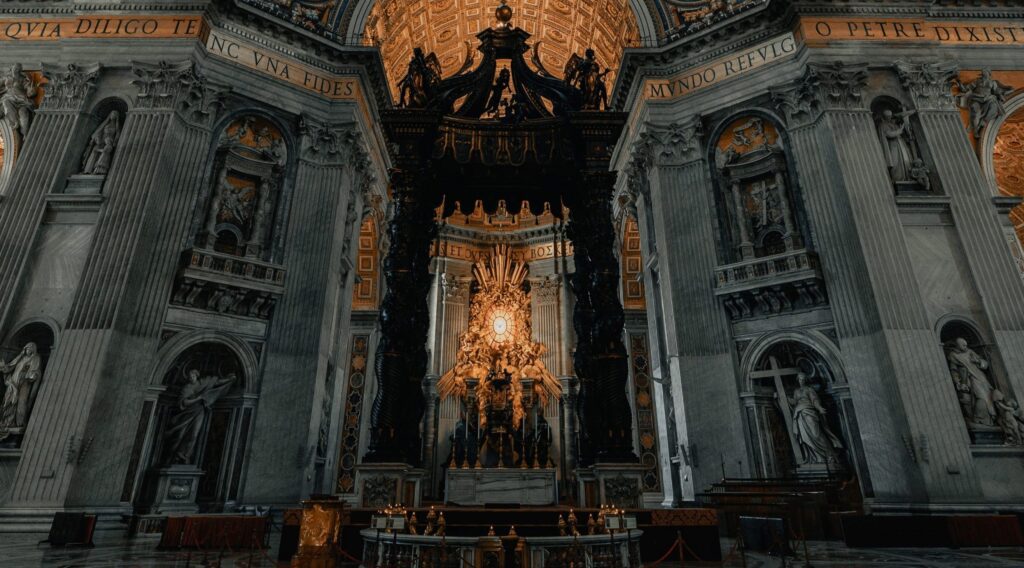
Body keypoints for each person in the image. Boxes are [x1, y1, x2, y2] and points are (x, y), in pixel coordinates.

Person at [162, 370, 236, 465]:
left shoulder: (204, 382)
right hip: (186, 414)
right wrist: (198, 398)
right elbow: (184, 403)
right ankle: (171, 457)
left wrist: (229, 379)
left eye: (193, 375)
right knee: (179, 435)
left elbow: (217, 382)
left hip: (199, 411)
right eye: (189, 376)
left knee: (194, 435)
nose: (191, 377)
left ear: (197, 376)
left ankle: (185, 456)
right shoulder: (186, 388)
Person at [787, 373, 843, 464]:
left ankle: (829, 454)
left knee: (816, 434)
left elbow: (815, 400)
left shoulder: (809, 389)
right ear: (798, 380)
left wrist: (819, 408)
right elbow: (795, 402)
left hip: (809, 412)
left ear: (806, 380)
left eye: (803, 379)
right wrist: (784, 398)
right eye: (800, 379)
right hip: (800, 415)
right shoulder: (796, 391)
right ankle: (816, 458)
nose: (802, 381)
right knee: (805, 437)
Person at [947, 337, 995, 426]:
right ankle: (980, 419)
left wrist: (978, 361)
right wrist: (958, 382)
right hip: (969, 379)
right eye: (963, 345)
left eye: (966, 345)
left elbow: (985, 364)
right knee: (981, 398)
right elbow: (954, 371)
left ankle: (989, 420)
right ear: (958, 346)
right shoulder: (953, 355)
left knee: (988, 397)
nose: (966, 347)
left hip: (981, 378)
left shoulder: (970, 352)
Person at [0, 342, 42, 440]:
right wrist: (3, 367)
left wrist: (32, 375)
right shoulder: (21, 358)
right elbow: (11, 366)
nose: (28, 351)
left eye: (30, 349)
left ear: (33, 350)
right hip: (13, 384)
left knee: (21, 403)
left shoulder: (35, 358)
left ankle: (18, 423)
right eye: (26, 349)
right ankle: (6, 422)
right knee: (8, 402)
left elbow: (34, 372)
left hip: (24, 385)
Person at [876, 109, 915, 182]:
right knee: (895, 162)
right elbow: (889, 134)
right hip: (892, 146)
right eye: (888, 116)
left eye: (890, 116)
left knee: (905, 160)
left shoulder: (895, 125)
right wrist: (900, 130)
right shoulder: (883, 125)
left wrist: (905, 130)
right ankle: (897, 178)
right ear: (884, 117)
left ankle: (907, 177)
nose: (890, 118)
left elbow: (901, 133)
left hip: (900, 144)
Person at [0, 63, 36, 143]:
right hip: (9, 98)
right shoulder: (7, 78)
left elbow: (30, 91)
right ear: (11, 69)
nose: (15, 70)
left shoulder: (23, 79)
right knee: (6, 103)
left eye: (17, 69)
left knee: (23, 113)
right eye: (14, 68)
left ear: (19, 71)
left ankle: (25, 135)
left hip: (21, 101)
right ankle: (15, 123)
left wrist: (31, 90)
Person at [81, 111, 121, 175]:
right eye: (112, 114)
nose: (113, 116)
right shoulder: (106, 123)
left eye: (115, 114)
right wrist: (96, 138)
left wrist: (114, 142)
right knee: (94, 154)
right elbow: (99, 130)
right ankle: (88, 170)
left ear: (117, 116)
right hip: (101, 140)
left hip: (108, 141)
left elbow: (117, 133)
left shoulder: (116, 125)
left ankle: (97, 170)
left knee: (103, 155)